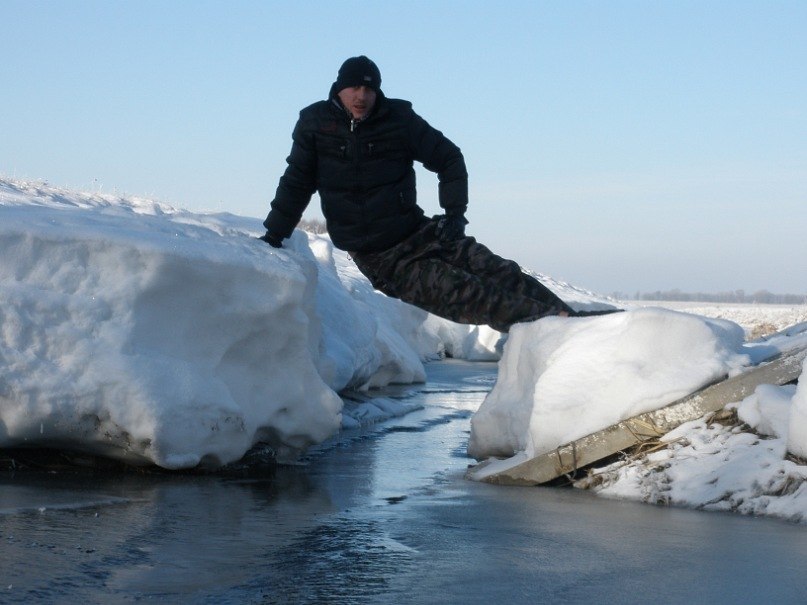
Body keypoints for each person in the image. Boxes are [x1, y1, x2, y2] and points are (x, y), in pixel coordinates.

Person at [260, 55, 590, 332]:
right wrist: (275, 233)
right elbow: (297, 180)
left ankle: (576, 325)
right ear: (340, 88)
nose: (361, 96)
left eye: (369, 88)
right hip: (382, 257)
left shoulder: (399, 120)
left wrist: (454, 215)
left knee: (499, 270)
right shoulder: (315, 124)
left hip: (420, 231)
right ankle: (558, 328)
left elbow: (449, 158)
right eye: (355, 88)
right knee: (472, 294)